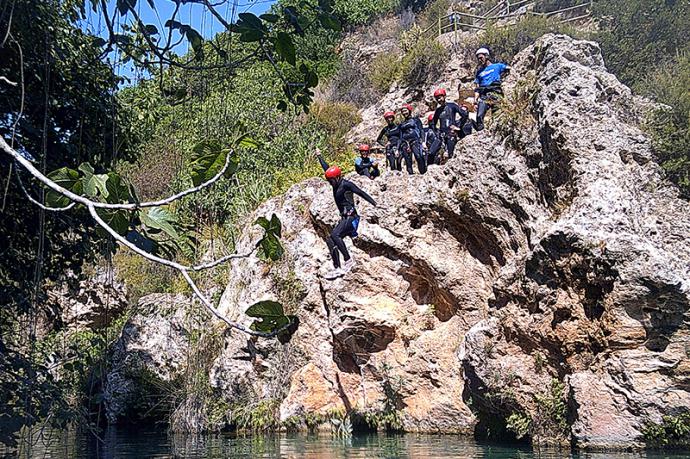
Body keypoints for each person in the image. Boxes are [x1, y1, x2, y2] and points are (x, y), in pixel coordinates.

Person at [316, 148, 377, 280]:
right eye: (329, 181)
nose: (330, 183)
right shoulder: (335, 184)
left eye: (331, 181)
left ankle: (348, 261)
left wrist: (374, 204)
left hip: (351, 217)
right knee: (330, 240)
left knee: (335, 234)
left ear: (337, 177)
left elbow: (360, 192)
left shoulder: (346, 184)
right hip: (344, 218)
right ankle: (337, 268)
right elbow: (327, 169)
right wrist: (320, 157)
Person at [473, 47, 510, 131]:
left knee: (497, 115)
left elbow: (509, 69)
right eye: (478, 59)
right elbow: (477, 88)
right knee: (479, 116)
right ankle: (480, 133)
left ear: (487, 56)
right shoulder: (479, 72)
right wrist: (475, 101)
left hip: (495, 92)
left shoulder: (497, 66)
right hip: (484, 94)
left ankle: (496, 132)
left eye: (481, 58)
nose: (479, 60)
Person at [429, 88, 467, 162]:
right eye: (437, 98)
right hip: (441, 135)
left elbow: (464, 114)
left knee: (450, 155)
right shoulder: (438, 110)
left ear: (444, 96)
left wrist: (459, 127)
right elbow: (432, 123)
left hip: (451, 134)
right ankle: (429, 171)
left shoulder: (452, 106)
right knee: (431, 153)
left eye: (440, 97)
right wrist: (437, 133)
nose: (439, 100)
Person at [398, 103, 426, 174]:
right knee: (408, 161)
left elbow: (421, 130)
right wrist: (398, 148)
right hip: (405, 143)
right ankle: (411, 176)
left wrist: (423, 142)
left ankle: (423, 173)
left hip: (415, 141)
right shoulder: (401, 124)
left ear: (409, 110)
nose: (404, 113)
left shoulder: (416, 120)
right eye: (403, 111)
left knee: (419, 157)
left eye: (405, 110)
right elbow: (400, 136)